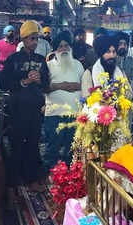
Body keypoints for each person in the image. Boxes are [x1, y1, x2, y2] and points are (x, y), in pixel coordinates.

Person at [0, 20, 50, 201]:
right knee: (17, 144)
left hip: (35, 109)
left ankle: (30, 179)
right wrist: (24, 82)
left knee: (33, 143)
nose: (35, 42)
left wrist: (38, 82)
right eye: (31, 38)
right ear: (24, 39)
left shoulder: (40, 60)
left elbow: (46, 83)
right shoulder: (13, 59)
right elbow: (2, 83)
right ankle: (13, 184)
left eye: (36, 38)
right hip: (17, 108)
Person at [43, 31, 84, 173]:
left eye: (66, 45)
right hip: (54, 114)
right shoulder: (48, 66)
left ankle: (70, 179)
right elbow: (44, 87)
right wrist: (61, 85)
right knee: (52, 148)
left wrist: (72, 86)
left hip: (74, 113)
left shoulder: (78, 65)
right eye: (60, 46)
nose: (64, 49)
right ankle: (51, 178)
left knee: (72, 149)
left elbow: (85, 86)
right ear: (55, 50)